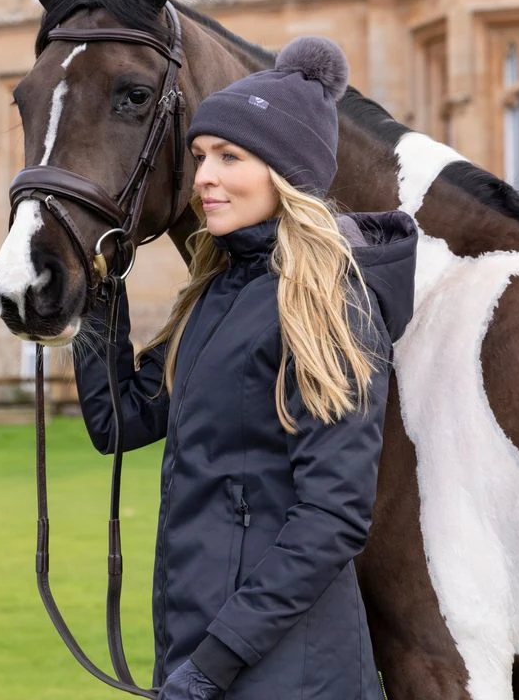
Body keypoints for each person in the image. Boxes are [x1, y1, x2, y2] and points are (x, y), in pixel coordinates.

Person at [72, 36, 418, 700]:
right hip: (202, 652)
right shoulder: (217, 293)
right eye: (202, 156)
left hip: (288, 674)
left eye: (231, 157)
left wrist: (211, 667)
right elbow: (120, 420)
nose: (205, 176)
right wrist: (97, 294)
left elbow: (332, 517)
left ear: (286, 174)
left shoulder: (328, 302)